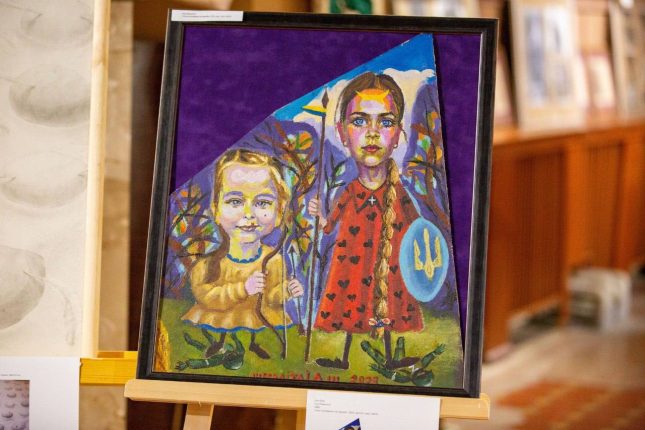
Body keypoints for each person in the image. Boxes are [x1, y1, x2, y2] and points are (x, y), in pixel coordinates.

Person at [308, 72, 423, 370]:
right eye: (359, 121)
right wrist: (320, 215)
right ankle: (344, 359)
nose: (372, 134)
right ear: (342, 133)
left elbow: (418, 231)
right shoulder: (350, 191)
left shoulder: (398, 192)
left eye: (385, 122)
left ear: (397, 135)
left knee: (388, 306)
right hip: (353, 265)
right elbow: (329, 225)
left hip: (390, 264)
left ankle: (390, 358)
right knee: (351, 305)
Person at [183, 149, 304, 361]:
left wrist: (287, 290)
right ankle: (219, 344)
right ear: (216, 209)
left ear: (279, 211)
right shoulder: (208, 264)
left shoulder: (273, 260)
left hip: (259, 321)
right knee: (223, 335)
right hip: (221, 318)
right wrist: (243, 289)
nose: (249, 214)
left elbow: (271, 298)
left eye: (262, 203)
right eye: (235, 201)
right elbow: (206, 297)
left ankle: (254, 345)